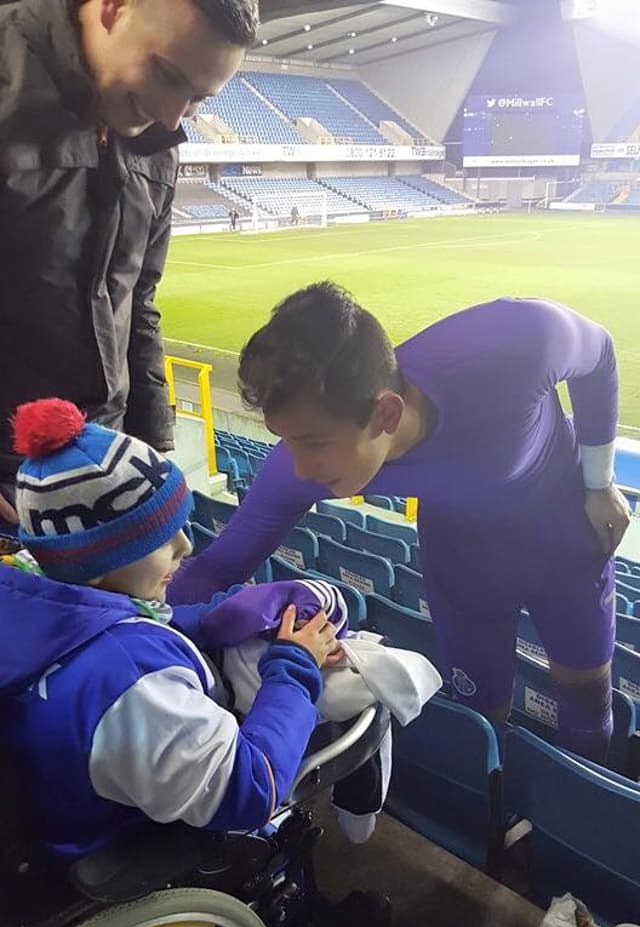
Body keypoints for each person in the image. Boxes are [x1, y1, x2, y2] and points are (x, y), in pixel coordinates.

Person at [169, 282, 632, 763]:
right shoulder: (307, 461)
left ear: (386, 413)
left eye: (315, 443)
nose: (300, 467)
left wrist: (599, 481)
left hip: (564, 532)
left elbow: (598, 352)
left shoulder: (510, 342)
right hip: (464, 565)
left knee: (586, 702)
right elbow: (217, 566)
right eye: (286, 441)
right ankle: (499, 807)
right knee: (482, 721)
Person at [0, 398, 342, 860]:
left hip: (64, 812)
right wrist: (295, 666)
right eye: (161, 539)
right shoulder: (131, 688)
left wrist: (213, 617)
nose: (186, 545)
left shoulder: (31, 587)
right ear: (97, 563)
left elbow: (116, 621)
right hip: (131, 847)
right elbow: (252, 789)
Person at [0, 0, 258, 529]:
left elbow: (137, 306)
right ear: (113, 8)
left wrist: (154, 454)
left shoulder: (158, 140)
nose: (170, 116)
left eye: (195, 100)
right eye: (166, 74)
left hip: (103, 465)